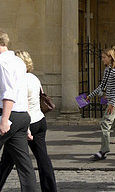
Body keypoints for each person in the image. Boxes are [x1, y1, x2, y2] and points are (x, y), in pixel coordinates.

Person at [0, 51, 57, 191]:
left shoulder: (19, 80)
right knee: (40, 158)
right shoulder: (34, 78)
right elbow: (41, 94)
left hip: (25, 121)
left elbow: (19, 101)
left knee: (9, 162)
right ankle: (50, 188)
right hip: (39, 120)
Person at [0, 31, 36, 191]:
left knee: (23, 163)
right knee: (24, 165)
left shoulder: (2, 62)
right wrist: (26, 123)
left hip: (8, 114)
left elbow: (8, 93)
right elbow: (22, 92)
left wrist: (4, 120)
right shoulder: (17, 61)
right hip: (21, 115)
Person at [87, 48, 115, 160]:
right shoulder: (108, 69)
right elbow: (102, 86)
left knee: (105, 124)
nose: (102, 59)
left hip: (114, 102)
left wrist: (112, 103)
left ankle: (104, 149)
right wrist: (90, 96)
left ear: (110, 58)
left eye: (104, 57)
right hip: (113, 101)